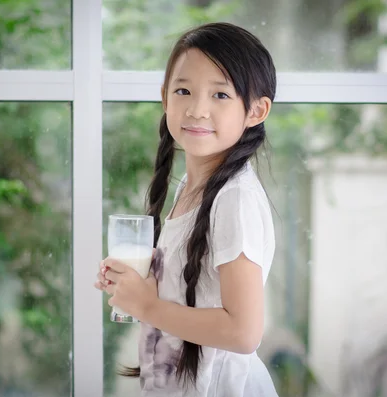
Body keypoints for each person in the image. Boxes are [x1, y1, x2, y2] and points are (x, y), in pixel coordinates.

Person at [94, 22, 279, 397]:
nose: (197, 109)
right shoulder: (191, 189)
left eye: (221, 95)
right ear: (165, 97)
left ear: (256, 111)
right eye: (183, 90)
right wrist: (140, 285)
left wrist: (147, 306)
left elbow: (243, 333)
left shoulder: (234, 198)